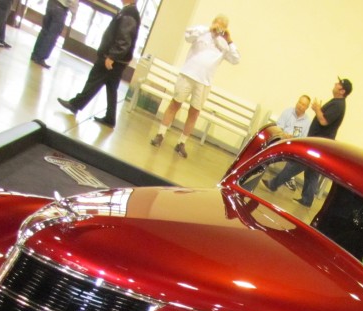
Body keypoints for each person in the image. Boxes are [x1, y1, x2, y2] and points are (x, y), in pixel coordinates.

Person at [149, 15, 240, 158]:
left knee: (194, 112)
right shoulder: (202, 32)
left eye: (222, 26)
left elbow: (235, 59)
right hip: (188, 74)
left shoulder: (224, 45)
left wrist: (229, 39)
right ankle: (160, 134)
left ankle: (182, 143)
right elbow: (188, 36)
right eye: (217, 23)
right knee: (175, 104)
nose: (219, 27)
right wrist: (208, 29)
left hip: (204, 82)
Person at [262, 77, 351, 207]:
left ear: (342, 90)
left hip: (319, 144)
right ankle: (307, 199)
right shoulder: (337, 103)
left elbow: (324, 121)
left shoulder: (338, 105)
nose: (335, 84)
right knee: (312, 172)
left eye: (338, 84)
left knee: (298, 164)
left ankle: (274, 184)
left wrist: (317, 109)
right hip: (319, 143)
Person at [56, 0, 140, 127]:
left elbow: (124, 39)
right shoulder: (129, 12)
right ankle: (110, 118)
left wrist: (112, 56)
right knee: (111, 88)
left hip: (112, 58)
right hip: (118, 60)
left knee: (94, 80)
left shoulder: (130, 13)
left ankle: (75, 104)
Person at [30, 0, 79, 69]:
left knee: (45, 30)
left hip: (51, 3)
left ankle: (35, 54)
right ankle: (41, 57)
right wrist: (74, 14)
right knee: (52, 35)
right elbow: (73, 1)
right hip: (61, 8)